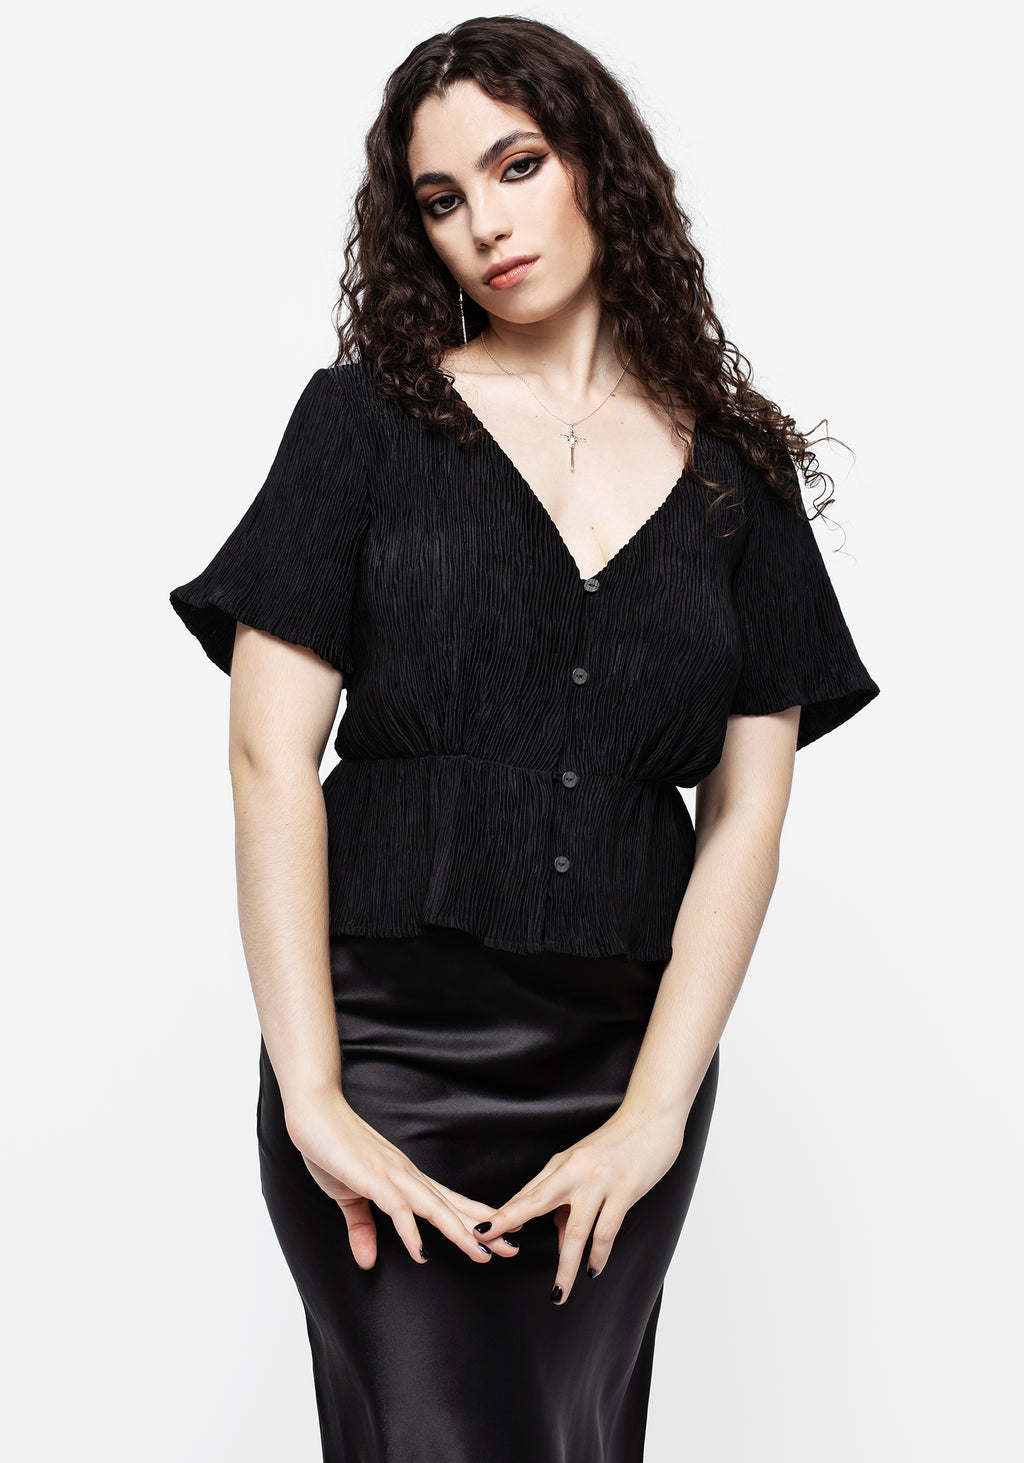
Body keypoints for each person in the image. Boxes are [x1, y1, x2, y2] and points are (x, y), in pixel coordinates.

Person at [169, 15, 880, 1462]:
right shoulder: (362, 425)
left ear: (597, 165)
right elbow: (267, 761)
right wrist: (314, 1093)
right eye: (442, 198)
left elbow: (748, 817)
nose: (486, 223)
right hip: (382, 1049)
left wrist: (655, 1113)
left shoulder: (739, 476)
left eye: (518, 165)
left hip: (621, 1069)